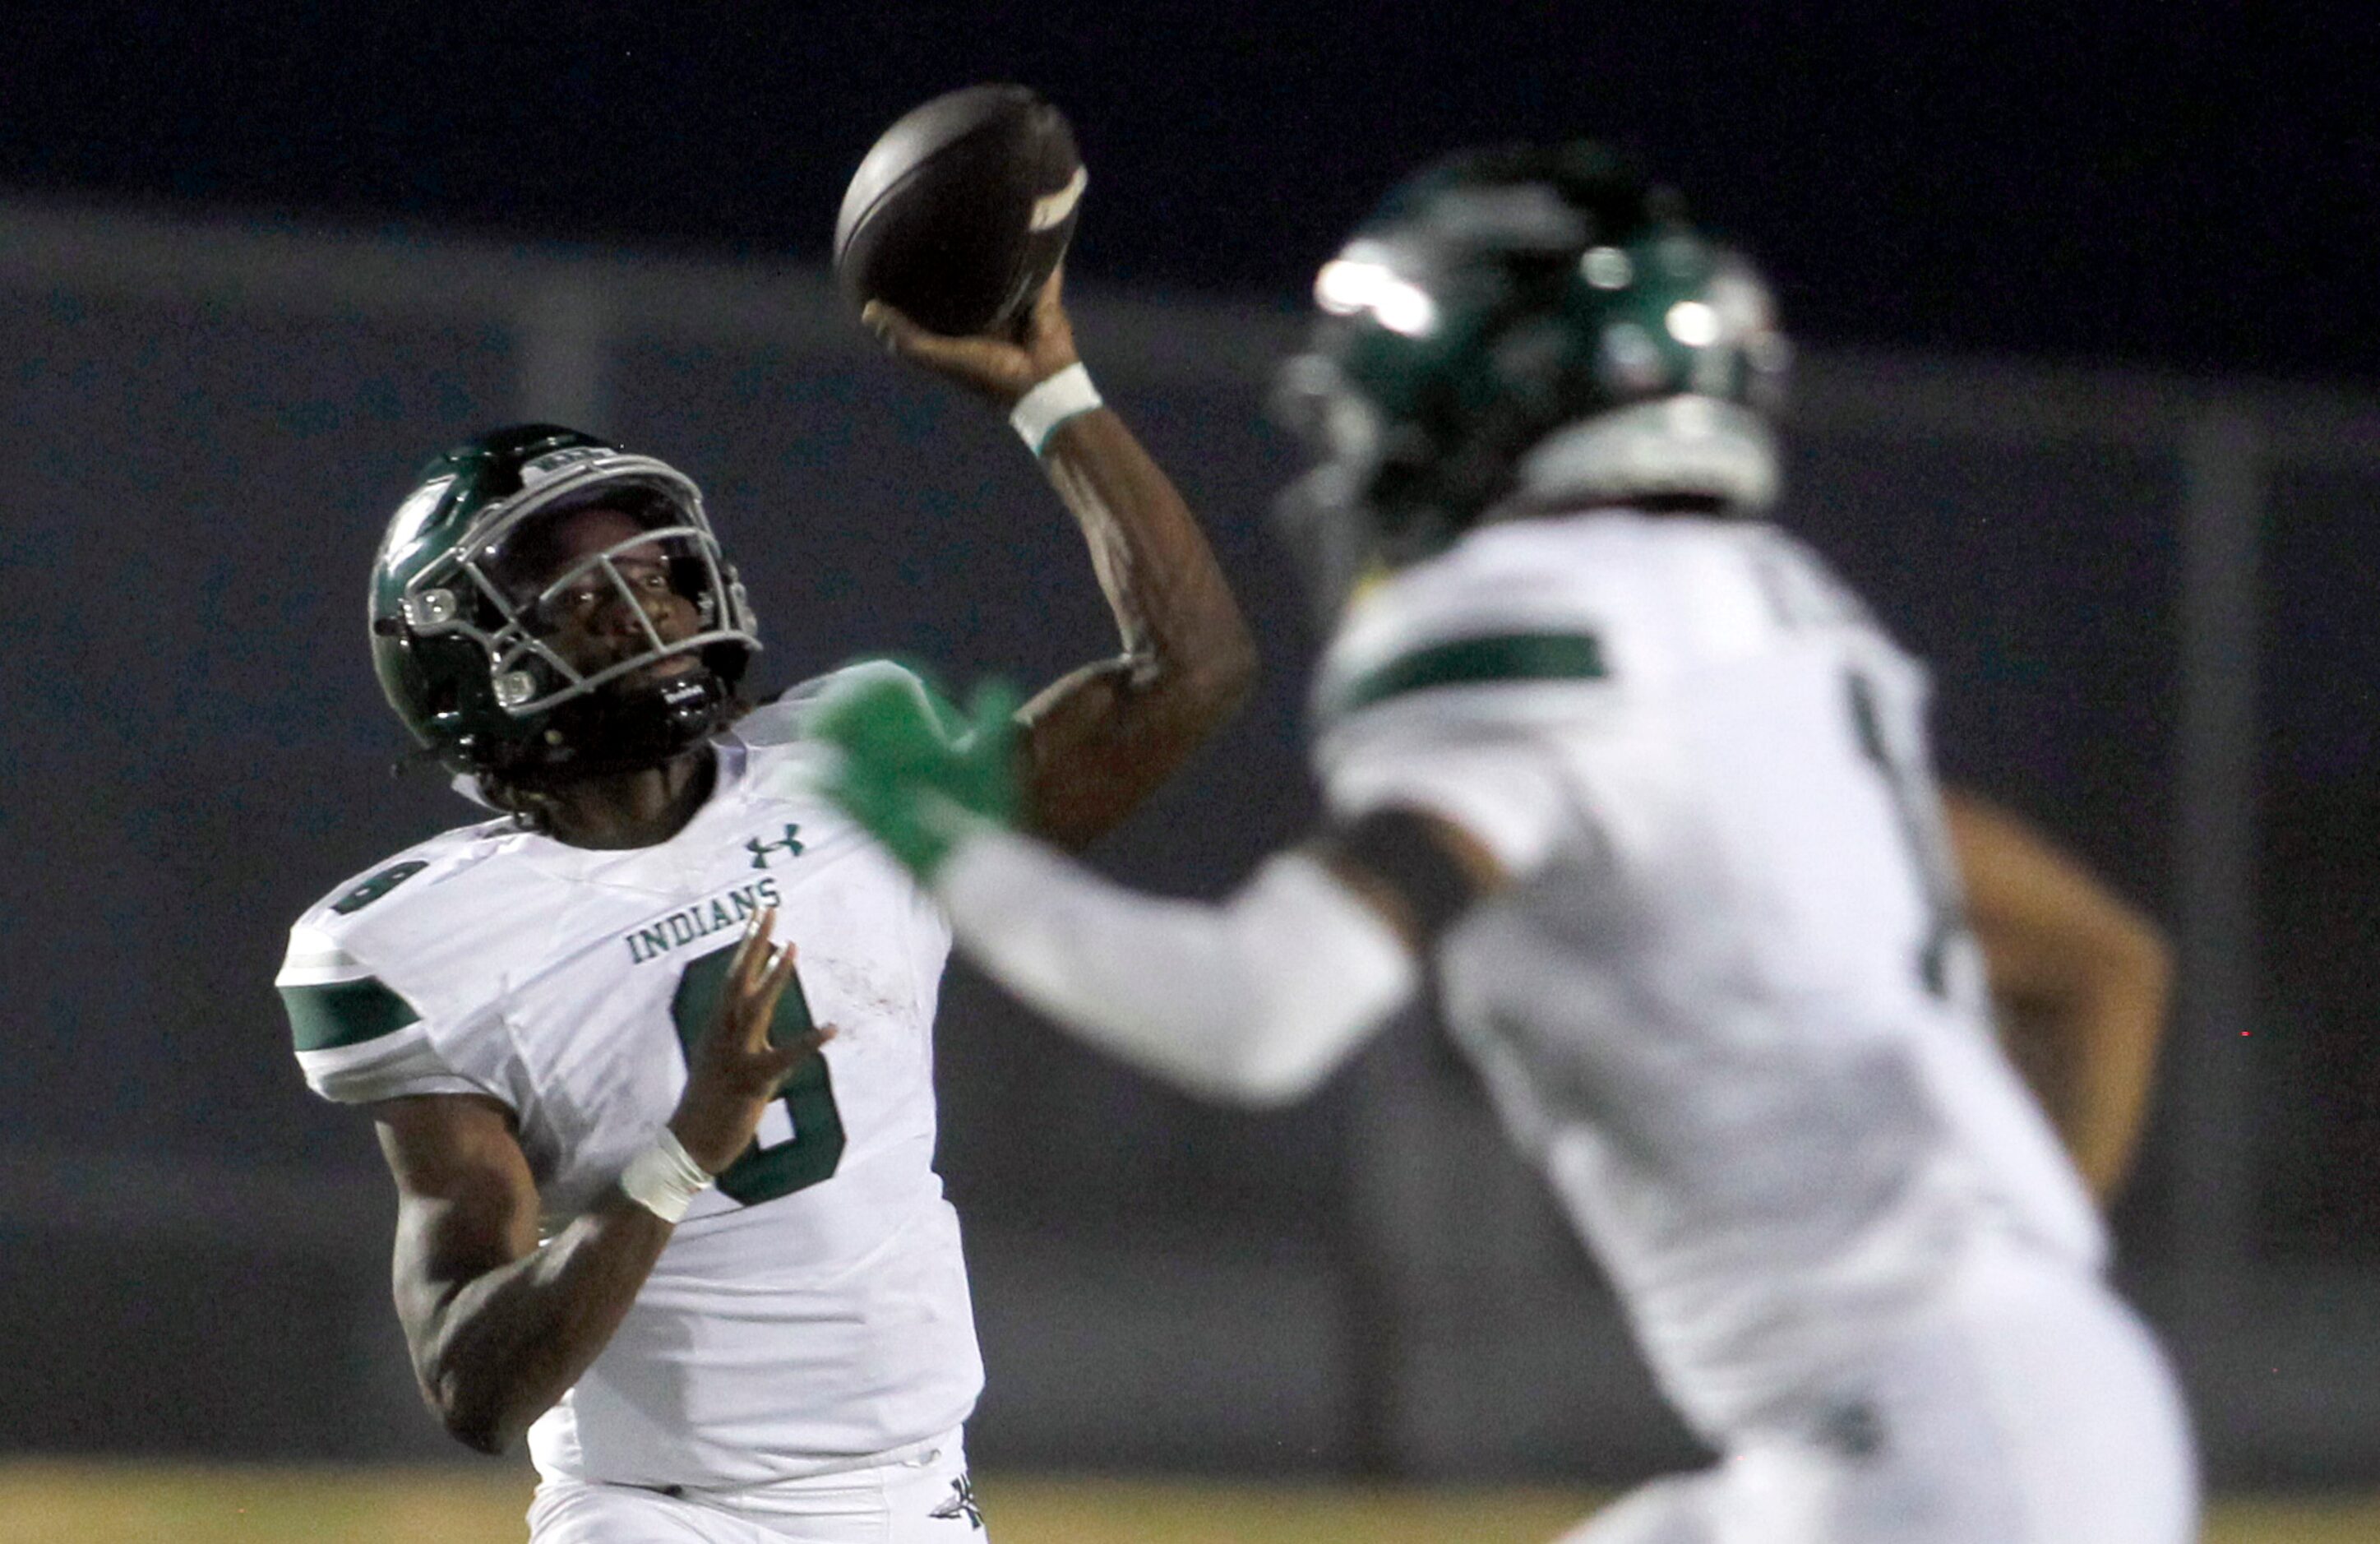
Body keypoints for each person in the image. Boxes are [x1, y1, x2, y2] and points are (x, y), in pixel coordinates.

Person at [811, 146, 2197, 1542]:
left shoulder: (1530, 624)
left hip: (1927, 1461)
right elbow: (2103, 962)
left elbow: (1258, 1016)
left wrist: (948, 849)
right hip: (2005, 1415)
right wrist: (1989, 1303)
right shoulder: (1776, 620)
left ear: (1490, 395)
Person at [274, 270, 1255, 1543]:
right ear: (477, 662)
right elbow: (476, 1381)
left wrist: (1051, 395)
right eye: (585, 596)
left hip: (918, 1498)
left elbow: (1193, 673)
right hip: (659, 1516)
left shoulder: (854, 766)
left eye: (660, 571)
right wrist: (681, 1152)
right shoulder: (425, 942)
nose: (654, 611)